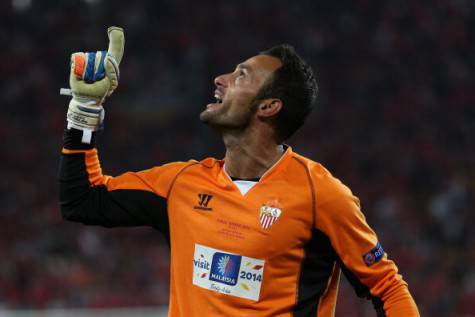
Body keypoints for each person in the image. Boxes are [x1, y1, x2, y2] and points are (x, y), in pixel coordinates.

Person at [58, 27, 420, 316]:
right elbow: (83, 200)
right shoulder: (182, 185)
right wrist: (85, 108)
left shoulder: (321, 196)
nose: (220, 78)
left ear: (268, 106)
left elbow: (388, 289)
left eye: (241, 75)